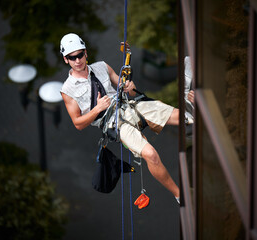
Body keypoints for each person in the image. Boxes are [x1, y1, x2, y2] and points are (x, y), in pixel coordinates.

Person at [59, 33, 192, 203]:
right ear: (66, 60)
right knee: (151, 155)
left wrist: (129, 86)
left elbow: (126, 87)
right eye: (72, 57)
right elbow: (77, 123)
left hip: (128, 106)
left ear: (86, 53)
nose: (77, 60)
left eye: (79, 55)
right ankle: (179, 195)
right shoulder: (67, 90)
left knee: (179, 115)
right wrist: (98, 108)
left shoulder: (102, 67)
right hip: (114, 123)